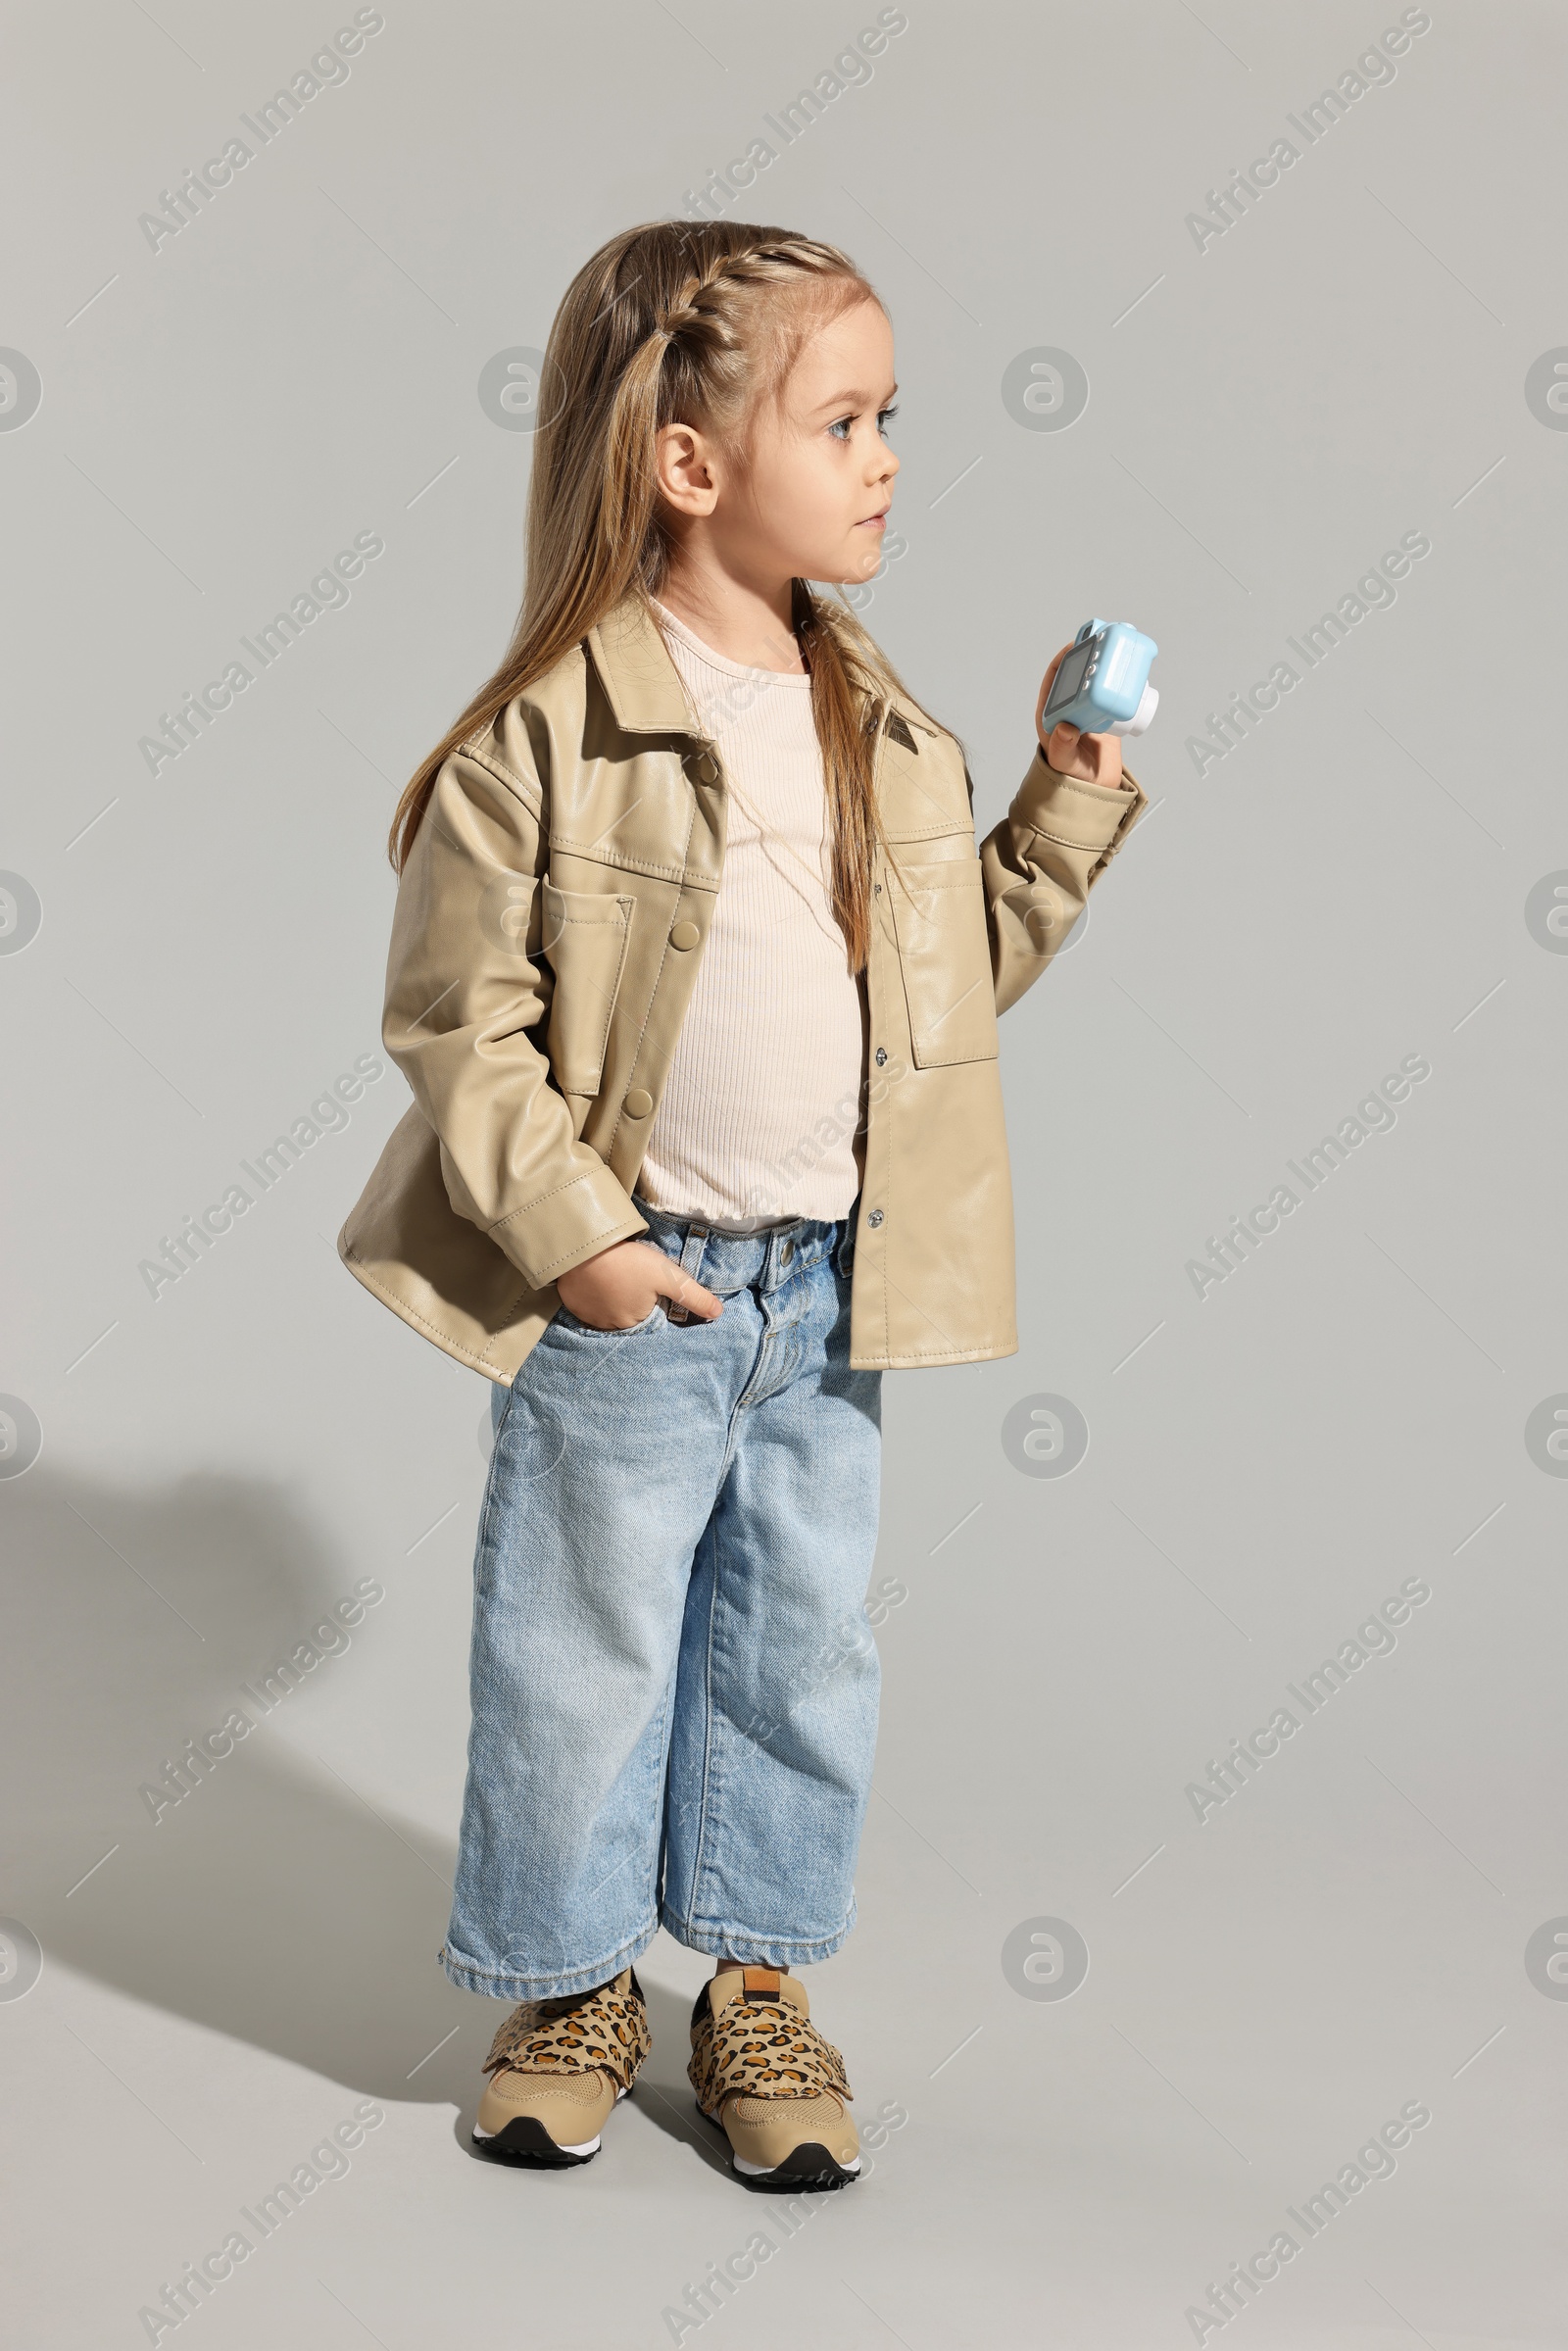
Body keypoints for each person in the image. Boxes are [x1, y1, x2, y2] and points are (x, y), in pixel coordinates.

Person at [338, 218, 1147, 2192]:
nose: (886, 458)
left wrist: (1056, 798)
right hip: (639, 1288)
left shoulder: (881, 722)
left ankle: (758, 1990)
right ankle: (565, 1986)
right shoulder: (549, 731)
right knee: (580, 1651)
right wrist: (581, 1246)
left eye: (892, 419)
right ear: (688, 464)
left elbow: (943, 991)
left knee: (794, 1654)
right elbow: (458, 1021)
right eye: (847, 417)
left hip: (823, 1296)